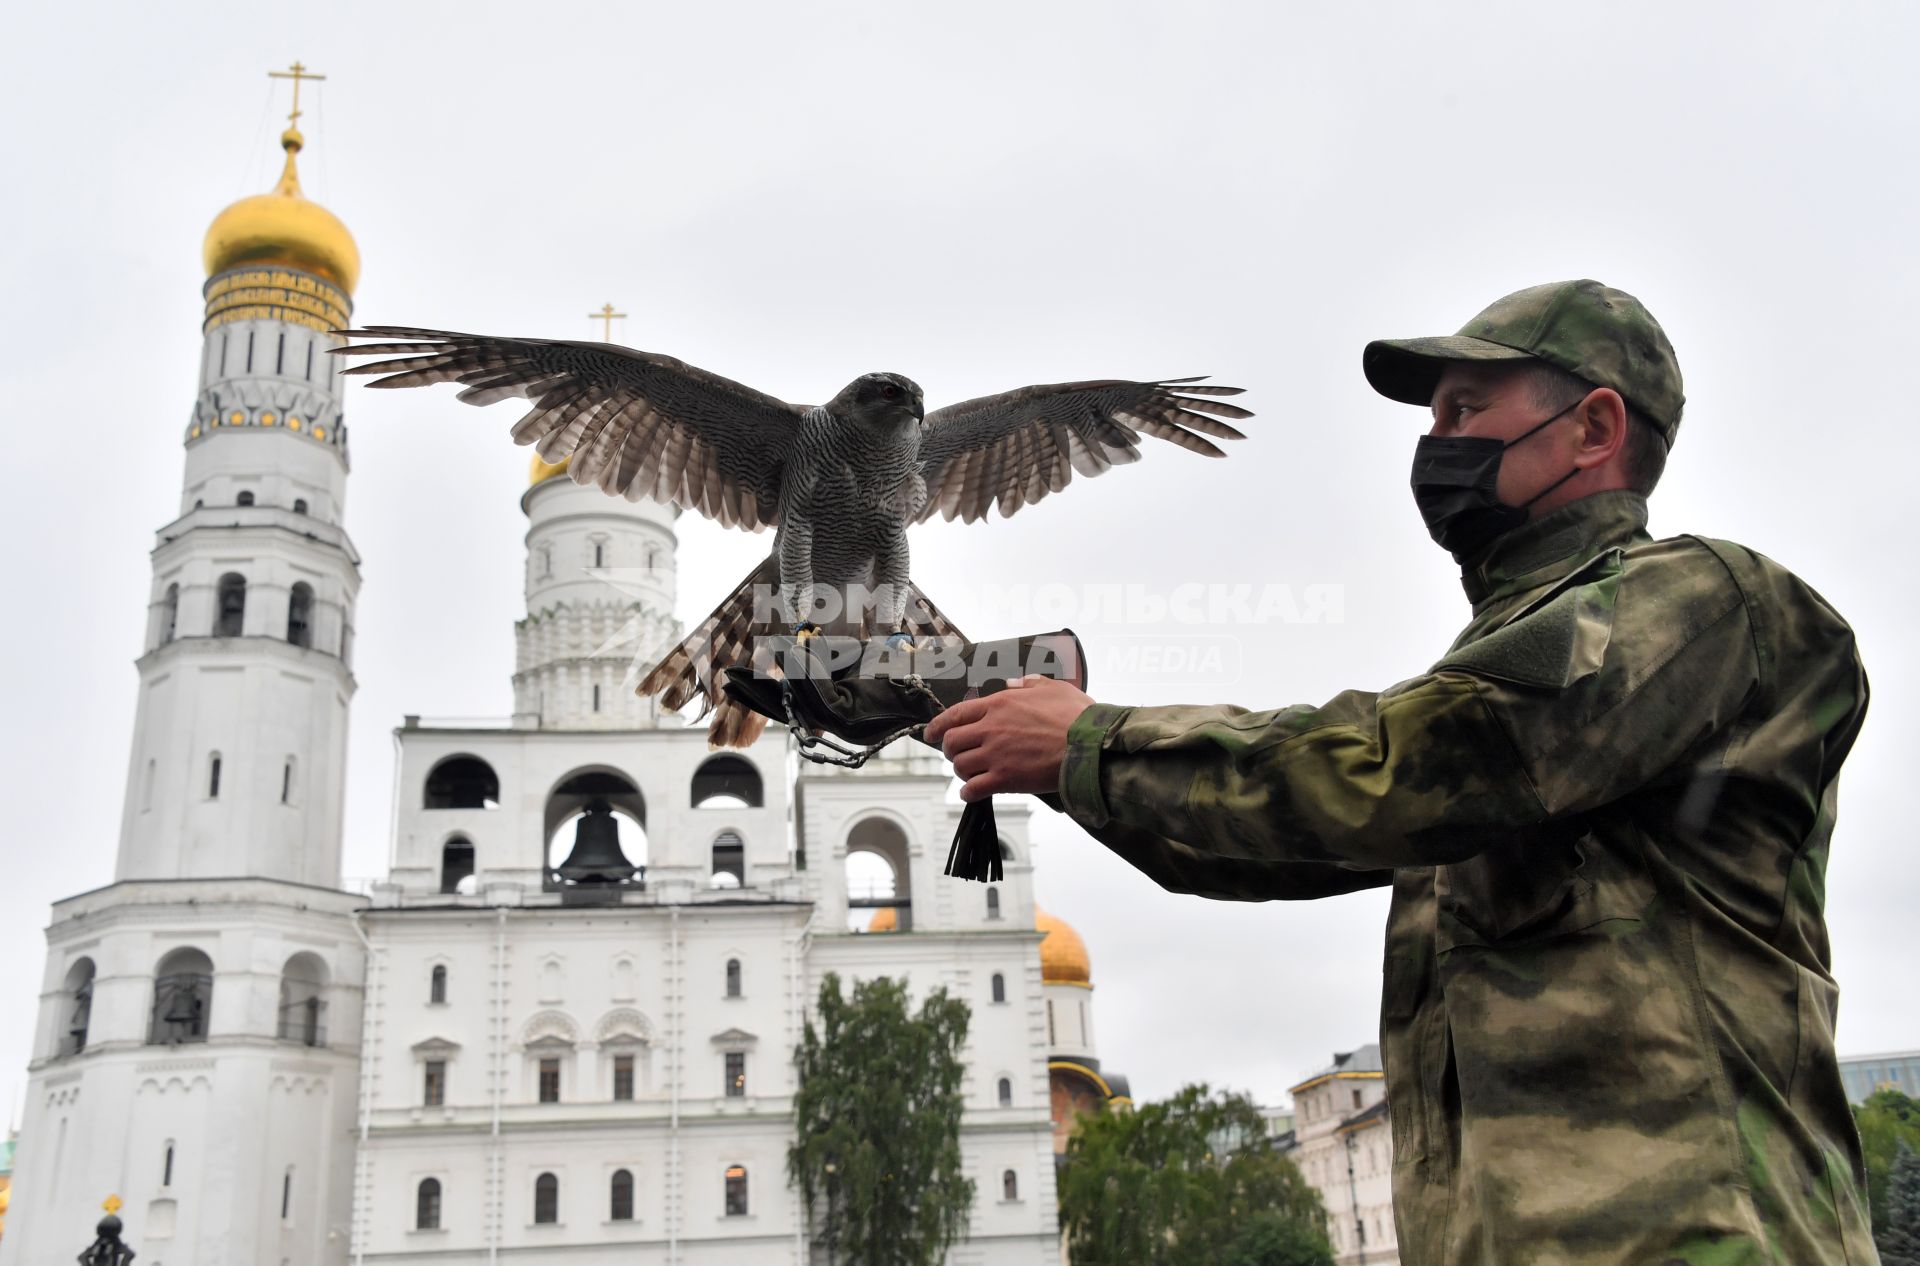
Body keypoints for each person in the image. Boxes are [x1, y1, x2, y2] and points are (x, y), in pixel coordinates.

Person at [923, 280, 1877, 1265]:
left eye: (1466, 409)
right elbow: (1269, 845)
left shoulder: (1710, 604)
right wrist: (992, 731)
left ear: (1595, 427)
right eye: (1432, 418)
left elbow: (1389, 769)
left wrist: (1090, 739)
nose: (1436, 443)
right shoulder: (1498, 680)